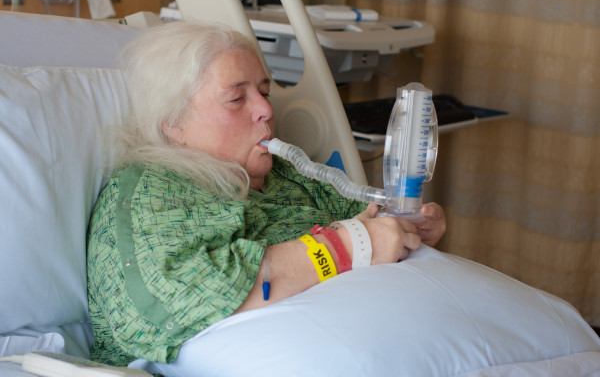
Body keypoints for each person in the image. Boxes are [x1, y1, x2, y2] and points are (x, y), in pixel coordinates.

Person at [86, 21, 447, 367]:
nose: (266, 110)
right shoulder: (149, 194)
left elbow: (370, 222)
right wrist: (348, 246)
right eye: (236, 98)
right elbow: (169, 299)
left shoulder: (285, 176)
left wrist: (406, 228)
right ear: (174, 122)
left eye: (263, 91)